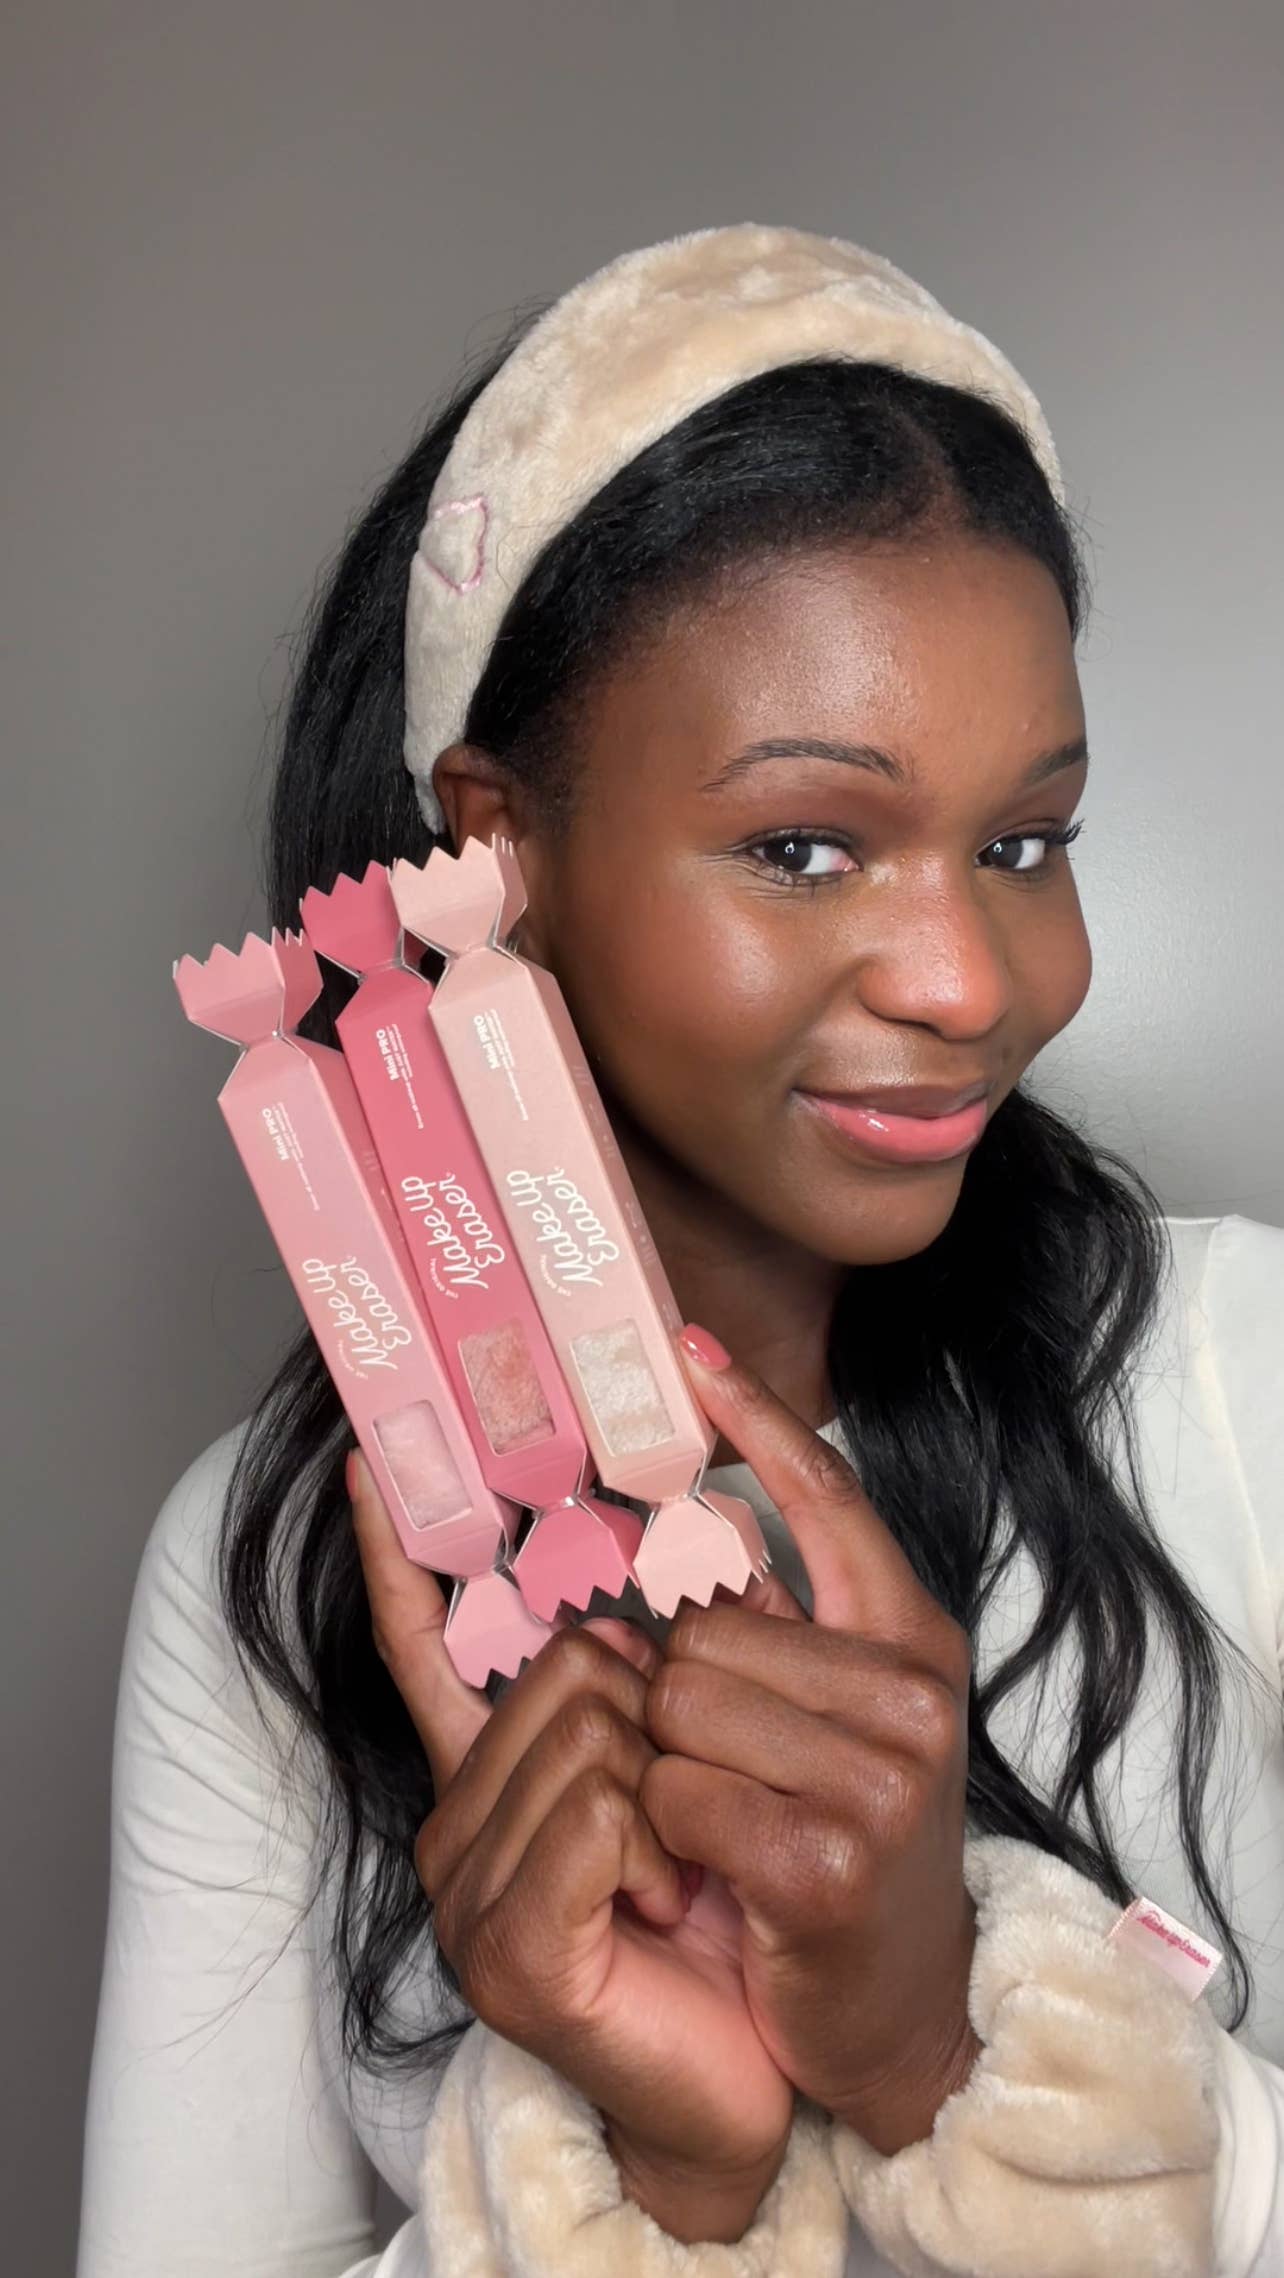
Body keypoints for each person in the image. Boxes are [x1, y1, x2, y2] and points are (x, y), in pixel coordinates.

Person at [78, 225, 1284, 2277]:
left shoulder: (1239, 1374)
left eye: (1023, 841)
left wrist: (934, 2044)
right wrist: (662, 2176)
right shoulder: (279, 1566)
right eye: (806, 846)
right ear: (496, 854)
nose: (967, 975)